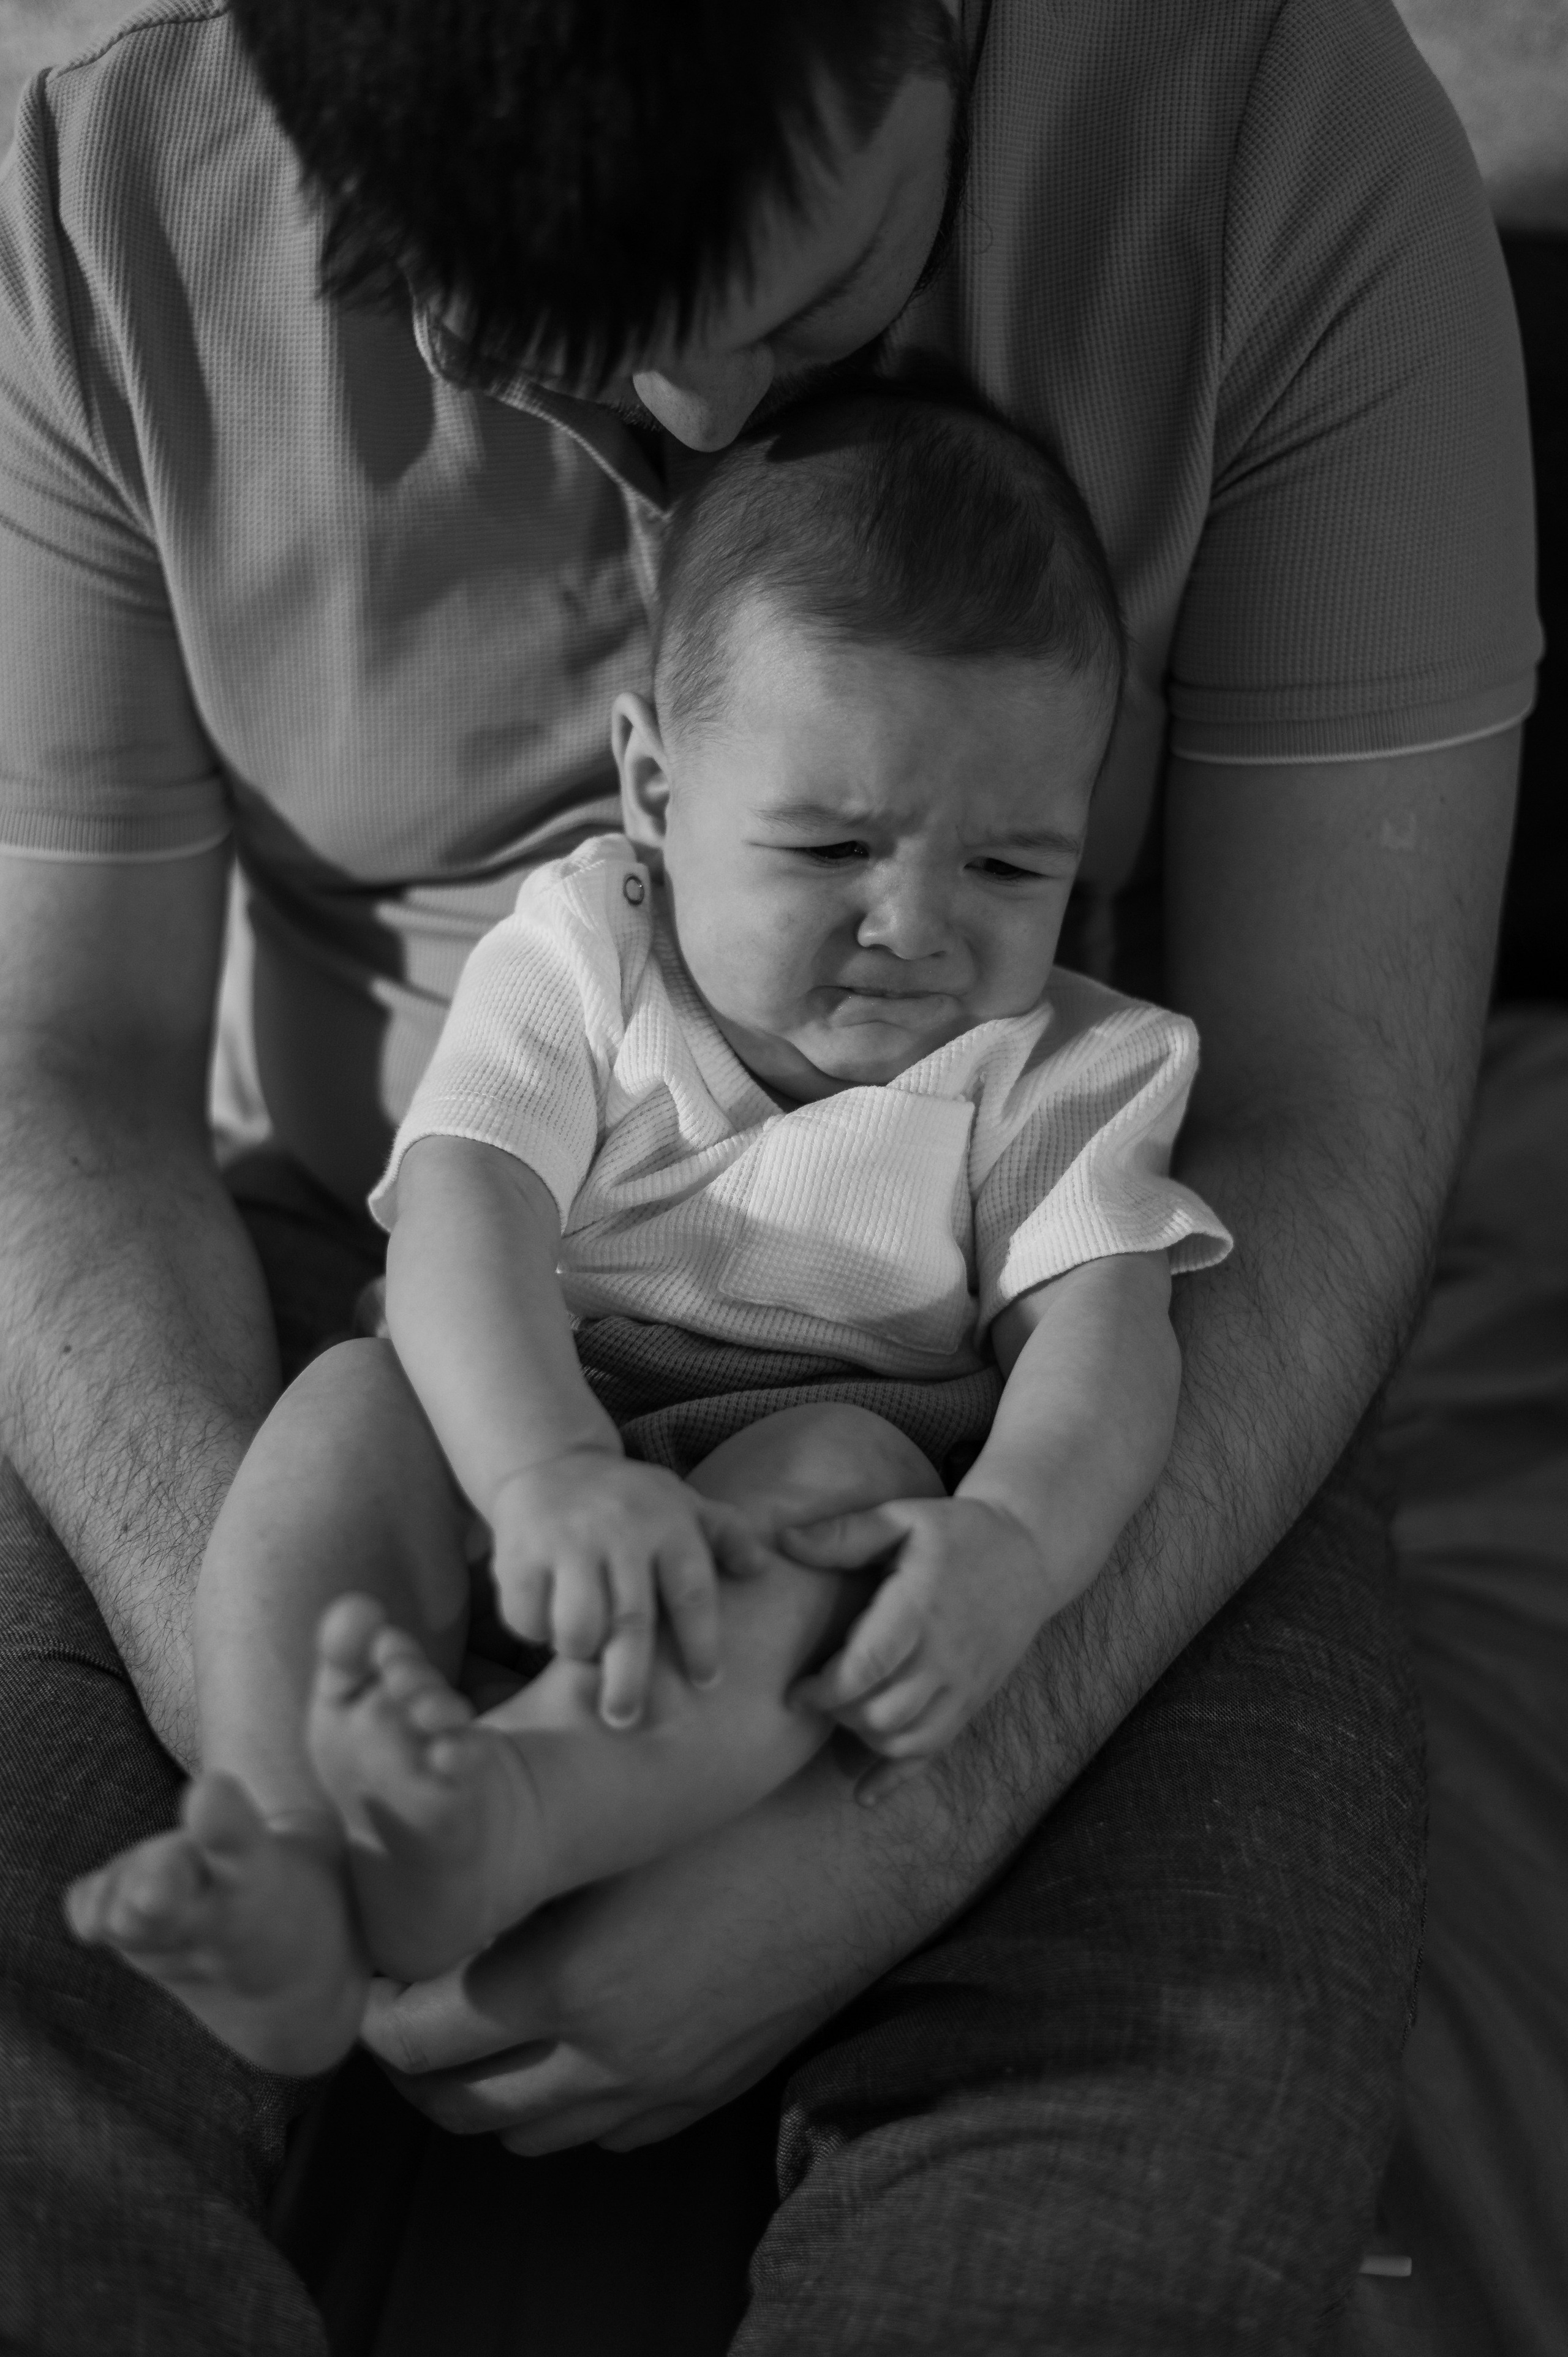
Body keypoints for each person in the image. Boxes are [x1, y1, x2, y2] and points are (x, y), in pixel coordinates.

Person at [0, 0, 1537, 2350]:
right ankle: (304, 1842)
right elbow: (69, 1076)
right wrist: (269, 1696)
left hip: (942, 1389)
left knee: (1150, 2124)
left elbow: (1309, 1127)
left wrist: (899, 1812)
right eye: (535, 343)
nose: (708, 424)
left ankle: (511, 1824)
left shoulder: (1273, 136)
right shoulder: (114, 211)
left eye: (817, 306)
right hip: (381, 1280)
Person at [66, 389, 1231, 2075]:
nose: (916, 926)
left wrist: (1016, 1548)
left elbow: (1108, 1352)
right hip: (517, 1437)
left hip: (783, 1502)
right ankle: (277, 1849)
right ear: (657, 792)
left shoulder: (1064, 1068)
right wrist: (543, 1470)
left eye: (1008, 868)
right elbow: (466, 1203)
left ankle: (507, 1819)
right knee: (348, 1407)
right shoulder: (588, 953)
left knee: (847, 1490)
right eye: (831, 844)